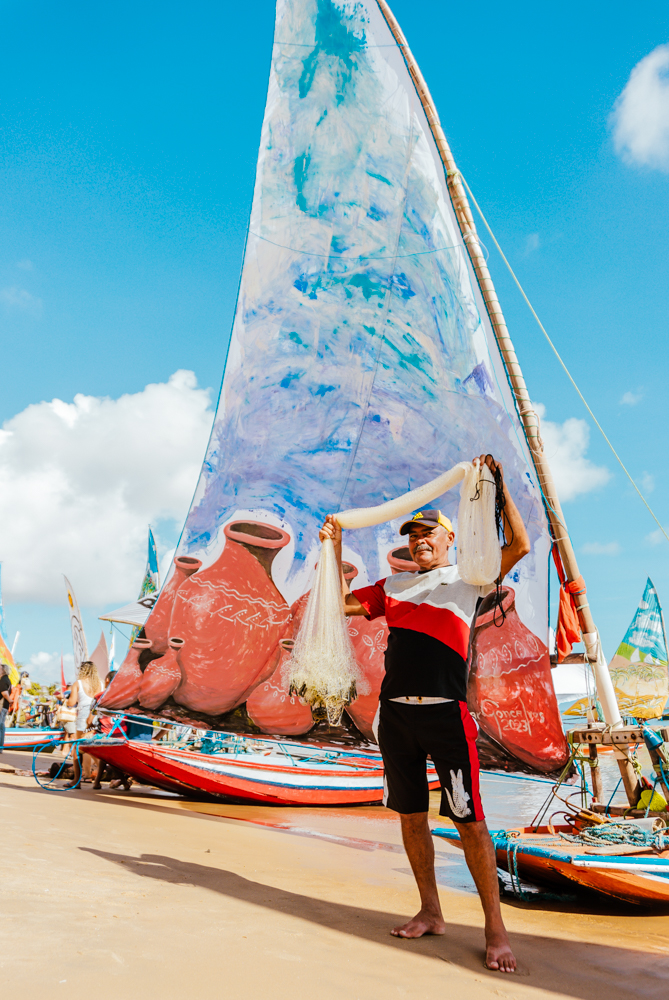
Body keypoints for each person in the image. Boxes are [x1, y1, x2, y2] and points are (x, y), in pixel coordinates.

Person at [320, 454, 530, 974]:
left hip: (447, 717)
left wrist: (497, 488)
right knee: (411, 817)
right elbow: (335, 603)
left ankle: (495, 930)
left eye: (429, 533)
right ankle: (431, 912)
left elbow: (520, 546)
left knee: (470, 822)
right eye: (413, 534)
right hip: (396, 720)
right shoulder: (390, 588)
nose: (420, 540)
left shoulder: (471, 578)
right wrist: (334, 546)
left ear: (449, 539)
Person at [65, 661, 102, 787]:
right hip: (96, 718)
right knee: (93, 749)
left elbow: (71, 703)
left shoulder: (78, 683)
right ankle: (98, 780)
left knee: (77, 749)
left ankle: (76, 781)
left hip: (83, 719)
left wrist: (66, 699)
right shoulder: (101, 684)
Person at [0, 663, 12, 752]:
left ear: (3, 670)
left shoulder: (3, 680)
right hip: (4, 706)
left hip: (1, 705)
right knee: (1, 726)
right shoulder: (7, 680)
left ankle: (0, 746)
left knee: (0, 726)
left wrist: (10, 700)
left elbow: (4, 692)